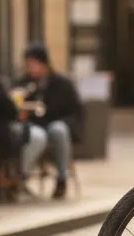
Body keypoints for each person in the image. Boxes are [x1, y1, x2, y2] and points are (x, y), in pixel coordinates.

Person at [14, 43, 83, 199]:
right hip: (34, 125)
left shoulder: (62, 83)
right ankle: (20, 178)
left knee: (58, 130)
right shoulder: (24, 83)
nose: (30, 68)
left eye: (33, 63)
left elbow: (75, 112)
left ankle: (61, 178)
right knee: (36, 137)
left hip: (56, 123)